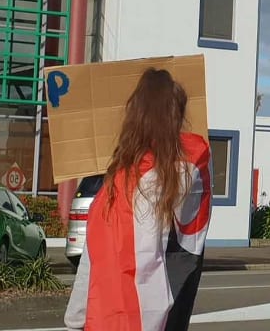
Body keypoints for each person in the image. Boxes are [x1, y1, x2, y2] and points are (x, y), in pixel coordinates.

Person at [65, 69, 212, 331]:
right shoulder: (191, 171)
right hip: (164, 316)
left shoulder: (115, 185)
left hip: (110, 318)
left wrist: (75, 319)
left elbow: (92, 258)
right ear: (177, 118)